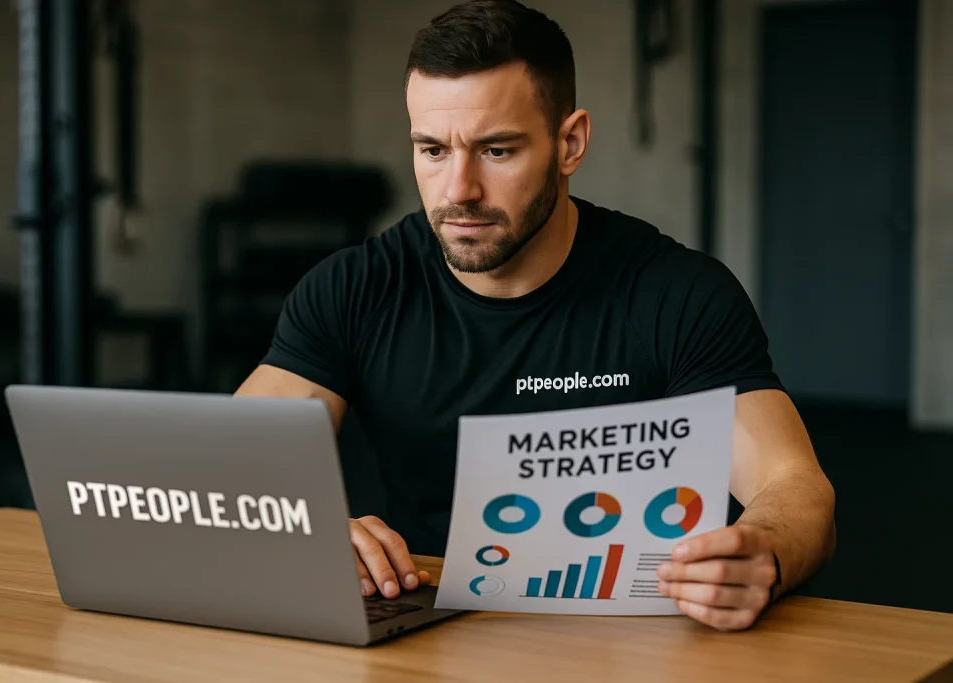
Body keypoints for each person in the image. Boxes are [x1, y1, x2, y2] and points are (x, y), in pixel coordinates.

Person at [236, 0, 835, 631]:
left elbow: (795, 487)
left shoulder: (676, 295)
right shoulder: (355, 288)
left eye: (496, 151)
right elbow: (232, 466)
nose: (458, 189)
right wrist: (305, 527)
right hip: (427, 627)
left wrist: (762, 551)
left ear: (569, 143)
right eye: (433, 150)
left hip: (632, 640)